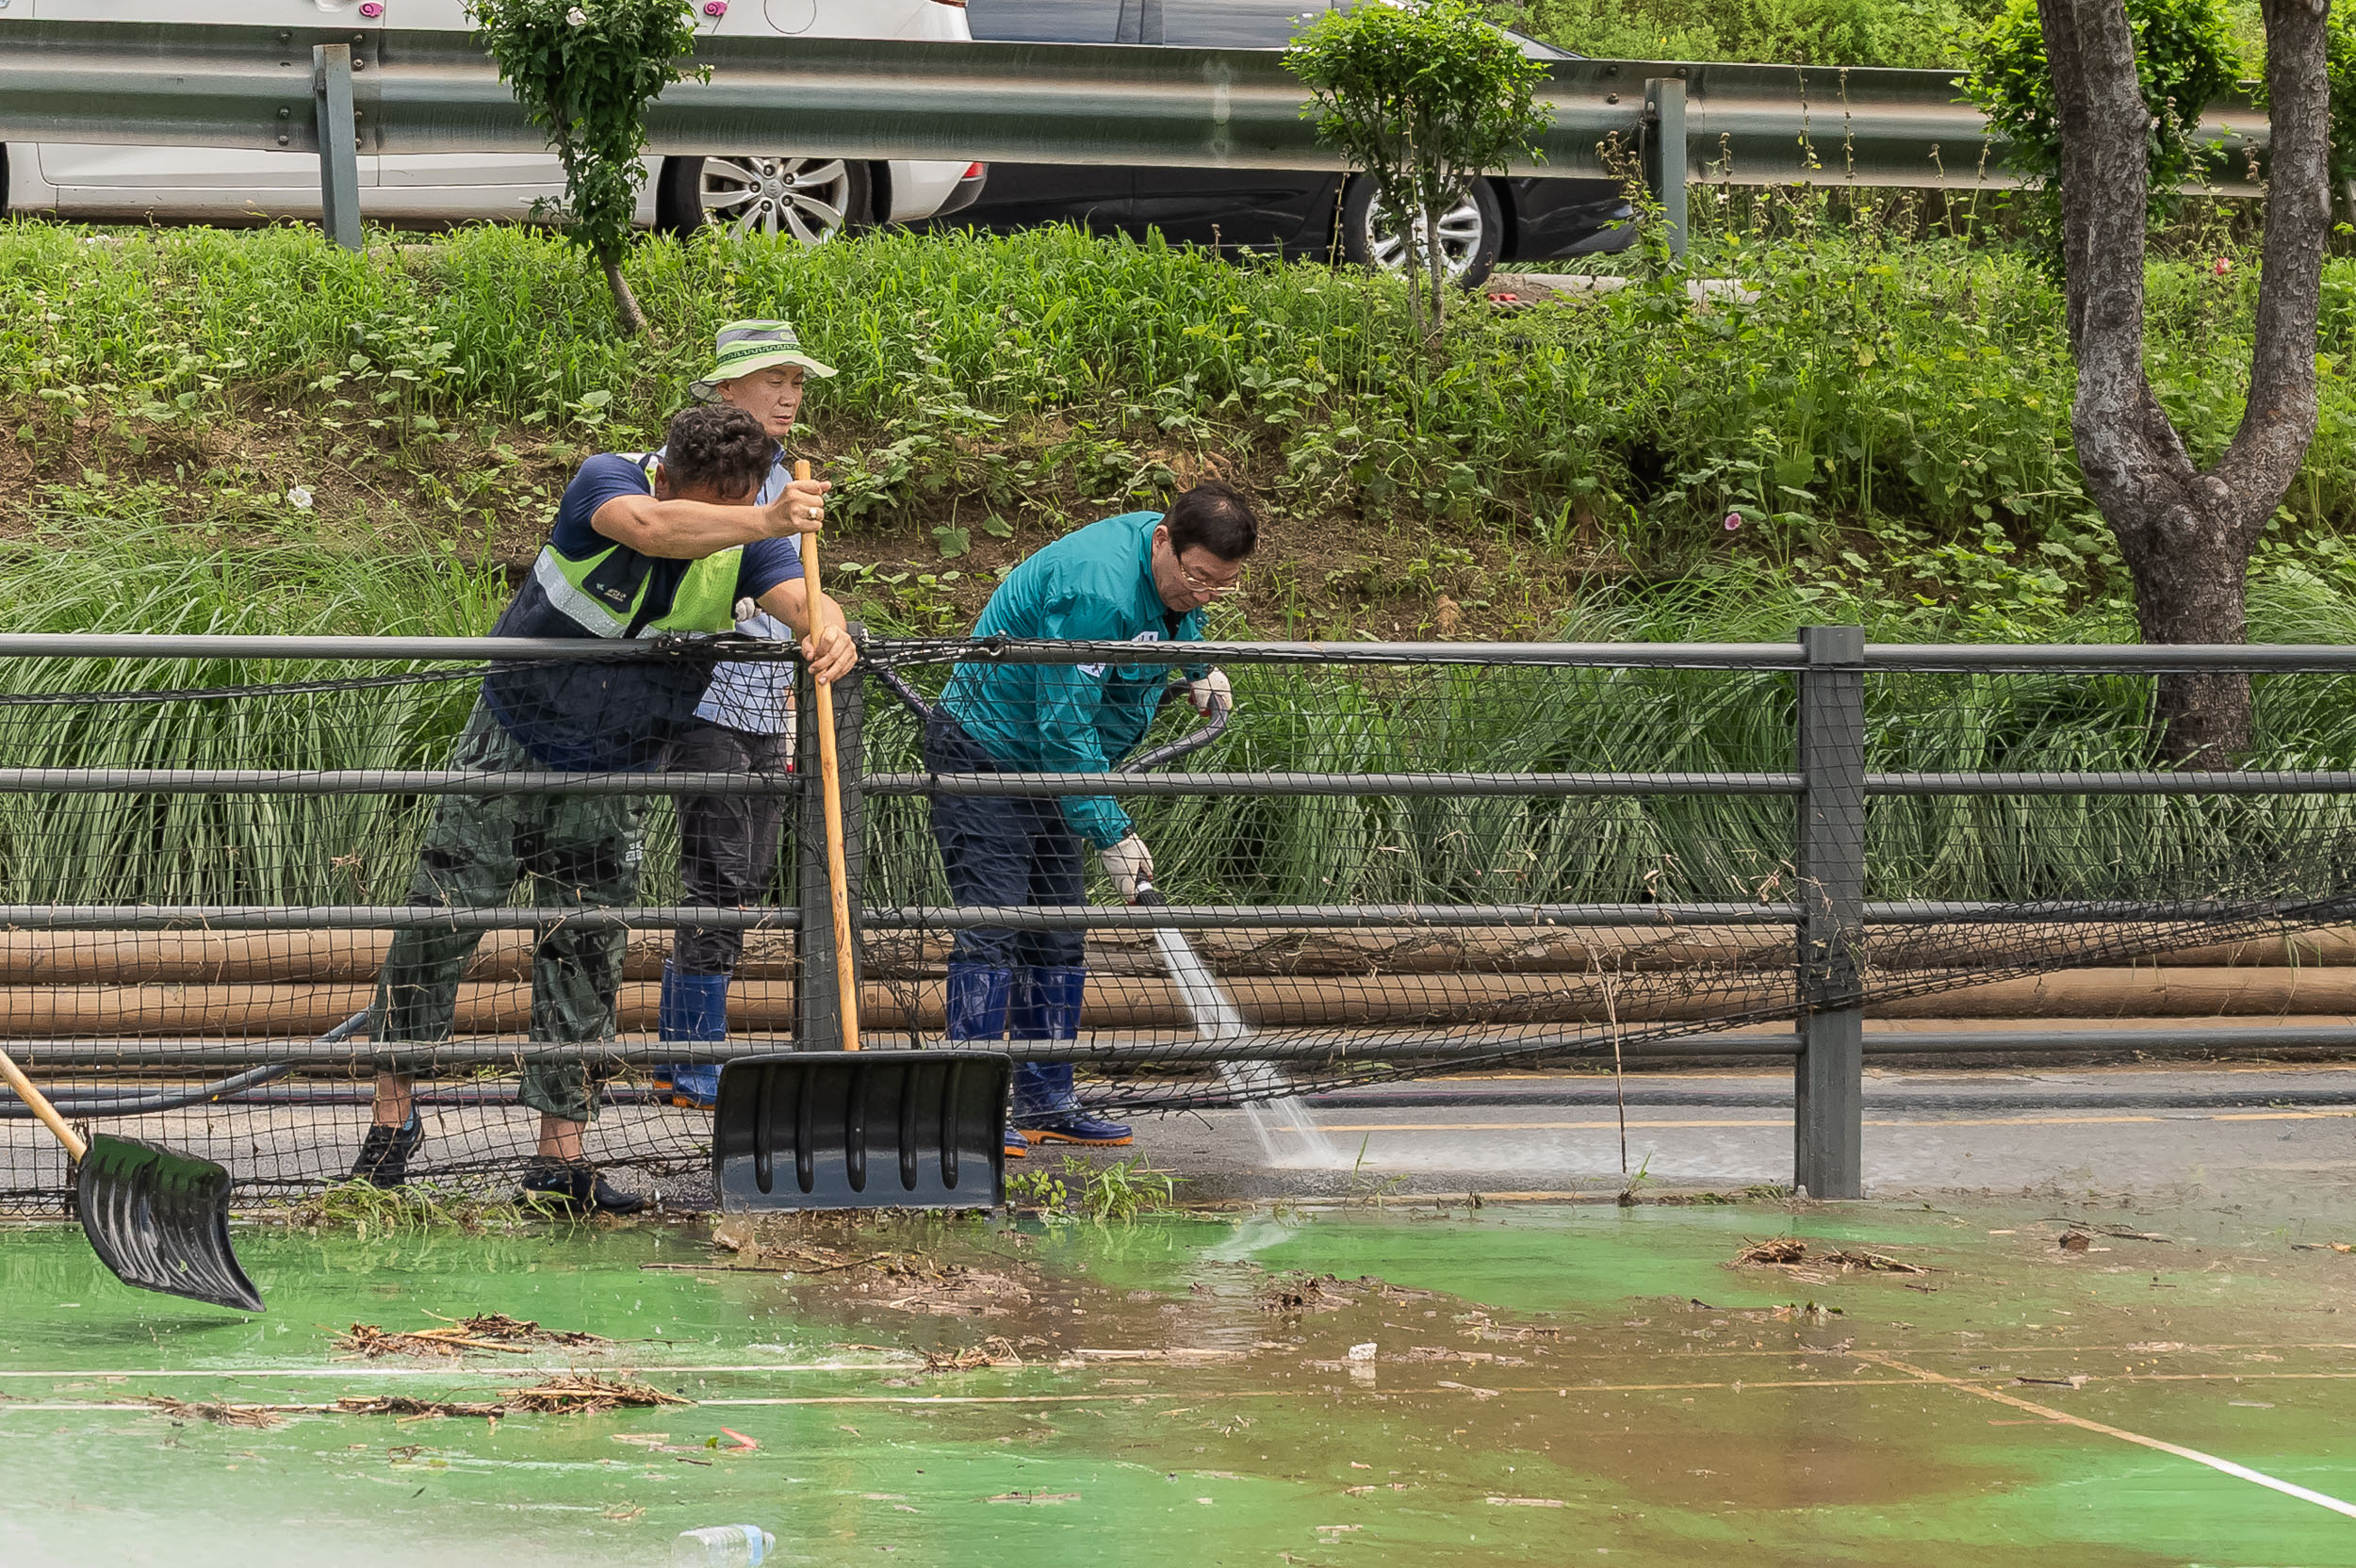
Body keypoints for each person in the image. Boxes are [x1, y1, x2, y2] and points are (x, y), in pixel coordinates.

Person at [349, 401, 854, 1212]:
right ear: (674, 474)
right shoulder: (607, 482)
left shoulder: (753, 545)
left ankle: (560, 1160)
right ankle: (391, 1121)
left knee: (585, 953)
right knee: (436, 928)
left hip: (617, 772)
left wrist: (830, 629)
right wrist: (759, 516)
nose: (727, 524)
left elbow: (804, 600)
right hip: (510, 746)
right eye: (718, 506)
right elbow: (651, 528)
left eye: (741, 507)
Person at [927, 482, 1257, 1159]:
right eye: (1197, 578)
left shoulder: (1164, 566)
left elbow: (1169, 615)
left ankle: (1047, 1100)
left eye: (1221, 587)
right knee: (994, 928)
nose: (1203, 595)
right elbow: (1064, 726)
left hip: (1055, 767)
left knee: (1057, 932)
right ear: (1164, 539)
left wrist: (1196, 665)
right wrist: (1110, 829)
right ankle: (967, 1110)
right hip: (989, 754)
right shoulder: (1094, 590)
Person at [655, 321, 836, 1109]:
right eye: (773, 379)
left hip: (769, 703)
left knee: (749, 876)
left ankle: (693, 1047)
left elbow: (795, 587)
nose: (789, 394)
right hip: (704, 700)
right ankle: (690, 1054)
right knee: (720, 873)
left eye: (796, 380)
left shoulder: (787, 474)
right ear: (726, 388)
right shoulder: (695, 472)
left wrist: (826, 625)